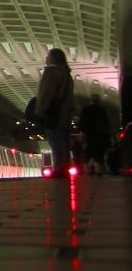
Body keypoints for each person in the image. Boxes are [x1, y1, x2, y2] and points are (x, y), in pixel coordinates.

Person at [35, 48, 75, 176]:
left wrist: (40, 110)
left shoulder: (51, 71)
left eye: (48, 56)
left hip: (53, 113)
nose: (46, 58)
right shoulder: (67, 75)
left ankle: (59, 169)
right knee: (63, 142)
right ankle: (64, 168)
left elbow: (46, 93)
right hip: (65, 114)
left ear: (53, 58)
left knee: (55, 142)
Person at [78, 93, 111, 175]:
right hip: (99, 135)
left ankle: (89, 169)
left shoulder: (86, 109)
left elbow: (82, 122)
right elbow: (105, 123)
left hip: (89, 135)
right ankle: (98, 169)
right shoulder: (101, 110)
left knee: (89, 151)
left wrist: (82, 132)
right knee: (98, 153)